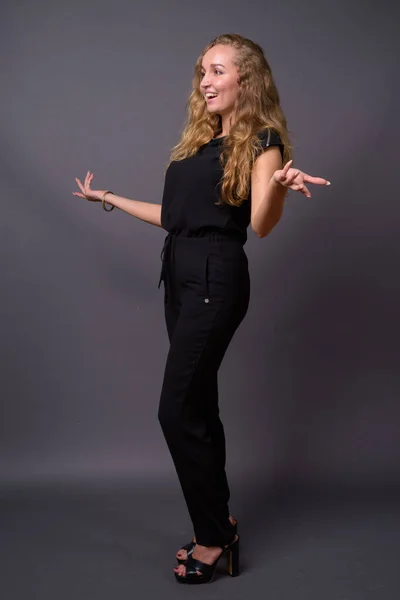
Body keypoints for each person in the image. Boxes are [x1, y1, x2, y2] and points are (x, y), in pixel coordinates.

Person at [73, 33, 330, 585]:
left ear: (246, 79)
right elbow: (175, 216)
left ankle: (213, 537)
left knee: (176, 409)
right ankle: (220, 529)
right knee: (199, 408)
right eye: (202, 73)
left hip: (216, 276)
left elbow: (260, 223)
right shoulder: (200, 142)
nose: (205, 82)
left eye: (217, 71)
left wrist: (281, 185)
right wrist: (111, 199)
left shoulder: (263, 140)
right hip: (181, 275)